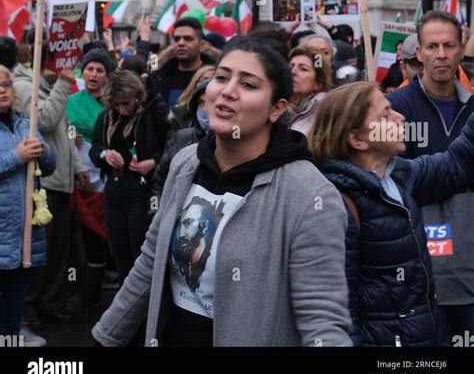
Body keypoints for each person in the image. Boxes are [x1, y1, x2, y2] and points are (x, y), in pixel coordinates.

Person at [92, 37, 352, 347]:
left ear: (277, 108)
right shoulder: (186, 163)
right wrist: (105, 337)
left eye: (249, 85)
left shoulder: (308, 195)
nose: (227, 91)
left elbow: (321, 317)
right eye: (221, 77)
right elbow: (150, 263)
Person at [309, 82, 474, 346]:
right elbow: (340, 313)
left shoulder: (399, 176)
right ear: (357, 139)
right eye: (385, 116)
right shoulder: (337, 204)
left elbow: (459, 163)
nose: (401, 118)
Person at [389, 11, 474, 342]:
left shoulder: (472, 105)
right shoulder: (395, 107)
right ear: (419, 52)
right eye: (433, 46)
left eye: (449, 45)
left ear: (461, 48)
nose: (441, 55)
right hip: (419, 252)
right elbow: (394, 179)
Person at [14, 45, 89, 326]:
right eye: (60, 60)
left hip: (61, 179)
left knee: (58, 248)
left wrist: (78, 167)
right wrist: (63, 84)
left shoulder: (48, 86)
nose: (66, 66)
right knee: (41, 249)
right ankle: (29, 307)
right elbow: (44, 121)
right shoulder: (24, 86)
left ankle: (48, 301)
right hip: (45, 182)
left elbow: (64, 131)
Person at [89, 70, 169, 284]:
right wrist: (106, 154)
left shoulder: (155, 112)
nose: (122, 109)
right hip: (115, 190)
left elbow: (174, 148)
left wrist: (153, 162)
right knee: (119, 251)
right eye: (117, 104)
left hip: (143, 193)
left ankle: (146, 311)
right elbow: (95, 147)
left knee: (140, 253)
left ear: (137, 97)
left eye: (126, 103)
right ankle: (125, 308)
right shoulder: (106, 116)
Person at [0, 65, 55, 341]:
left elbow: (51, 166)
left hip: (22, 234)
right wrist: (16, 156)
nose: (2, 90)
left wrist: (43, 152)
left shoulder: (26, 122)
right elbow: (15, 159)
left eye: (6, 84)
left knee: (13, 304)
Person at [66, 50, 112, 308]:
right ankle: (82, 292)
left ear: (107, 75)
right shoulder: (71, 100)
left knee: (101, 233)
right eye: (90, 69)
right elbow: (64, 127)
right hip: (76, 176)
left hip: (105, 180)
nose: (93, 75)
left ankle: (96, 292)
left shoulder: (114, 103)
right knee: (80, 235)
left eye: (99, 70)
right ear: (83, 72)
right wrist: (70, 134)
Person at [150, 79, 212, 213]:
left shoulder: (235, 143)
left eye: (212, 101)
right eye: (201, 102)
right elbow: (160, 180)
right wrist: (155, 212)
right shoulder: (181, 138)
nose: (205, 109)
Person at [148, 18, 218, 107]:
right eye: (176, 39)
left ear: (201, 45)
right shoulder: (158, 78)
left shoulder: (214, 78)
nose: (181, 43)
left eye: (188, 39)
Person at [287, 46, 331, 136]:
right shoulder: (273, 105)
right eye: (290, 66)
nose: (293, 72)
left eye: (303, 69)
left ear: (318, 84)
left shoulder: (326, 116)